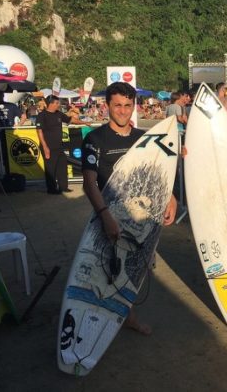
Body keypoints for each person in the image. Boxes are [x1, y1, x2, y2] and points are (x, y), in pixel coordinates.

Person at [81, 82, 178, 334]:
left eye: (127, 105)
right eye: (117, 105)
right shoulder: (95, 139)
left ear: (133, 106)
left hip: (140, 218)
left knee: (135, 269)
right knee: (108, 270)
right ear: (107, 106)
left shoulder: (142, 139)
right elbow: (89, 183)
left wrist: (171, 197)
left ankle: (128, 315)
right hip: (109, 215)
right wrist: (105, 217)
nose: (122, 111)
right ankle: (105, 317)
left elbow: (159, 174)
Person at [36, 95, 86, 194]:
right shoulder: (42, 115)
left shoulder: (58, 114)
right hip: (48, 147)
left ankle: (63, 187)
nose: (58, 105)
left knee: (62, 166)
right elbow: (39, 131)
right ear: (51, 103)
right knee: (50, 169)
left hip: (59, 146)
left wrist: (85, 122)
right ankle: (51, 189)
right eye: (57, 103)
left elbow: (70, 120)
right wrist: (45, 147)